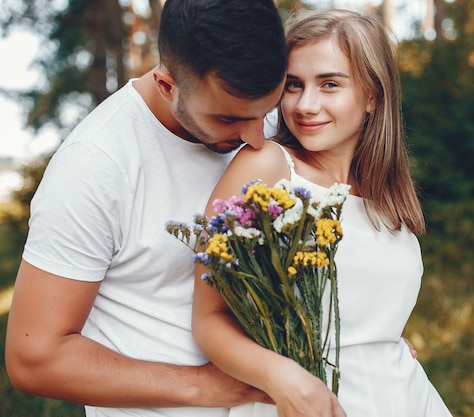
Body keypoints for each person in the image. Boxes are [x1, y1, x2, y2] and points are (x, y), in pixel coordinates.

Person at [5, 1, 288, 416]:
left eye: (265, 111)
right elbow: (35, 358)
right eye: (228, 119)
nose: (256, 136)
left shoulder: (263, 104)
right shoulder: (96, 165)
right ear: (167, 84)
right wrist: (203, 387)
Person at [192, 8, 454, 417]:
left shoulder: (388, 196)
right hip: (302, 403)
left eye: (329, 84)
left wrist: (383, 340)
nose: (305, 105)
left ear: (372, 95)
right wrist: (281, 377)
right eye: (293, 85)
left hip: (406, 399)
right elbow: (210, 319)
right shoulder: (266, 168)